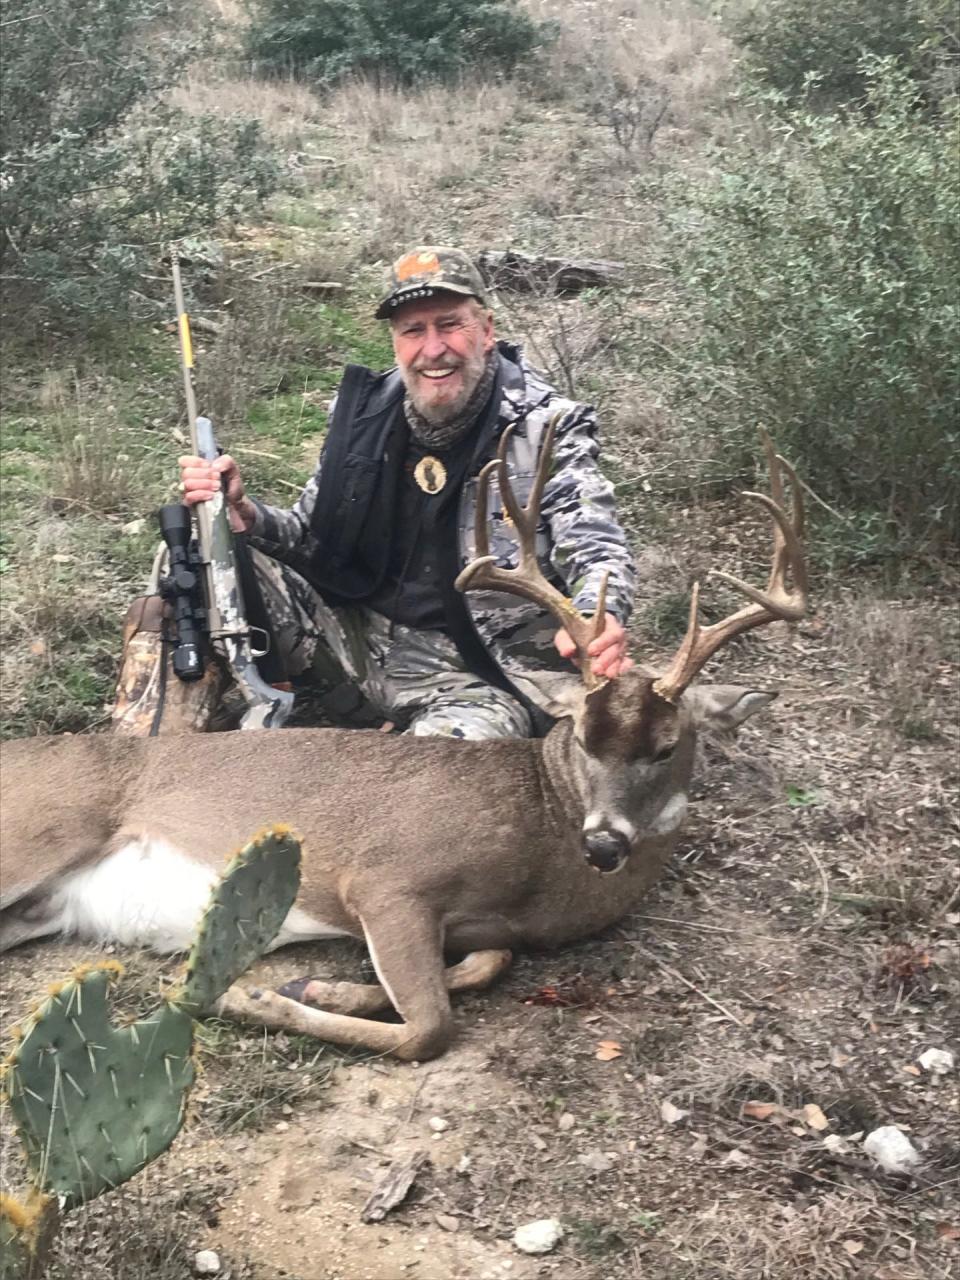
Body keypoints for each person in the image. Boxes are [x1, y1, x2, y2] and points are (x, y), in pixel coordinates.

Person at [115, 246, 636, 740]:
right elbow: (308, 536)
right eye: (414, 330)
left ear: (486, 331)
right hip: (352, 639)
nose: (433, 349)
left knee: (445, 770)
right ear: (395, 341)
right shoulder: (366, 414)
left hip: (474, 674)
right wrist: (244, 513)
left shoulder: (547, 426)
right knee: (197, 551)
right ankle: (153, 754)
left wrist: (599, 614)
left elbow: (596, 543)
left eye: (450, 325)